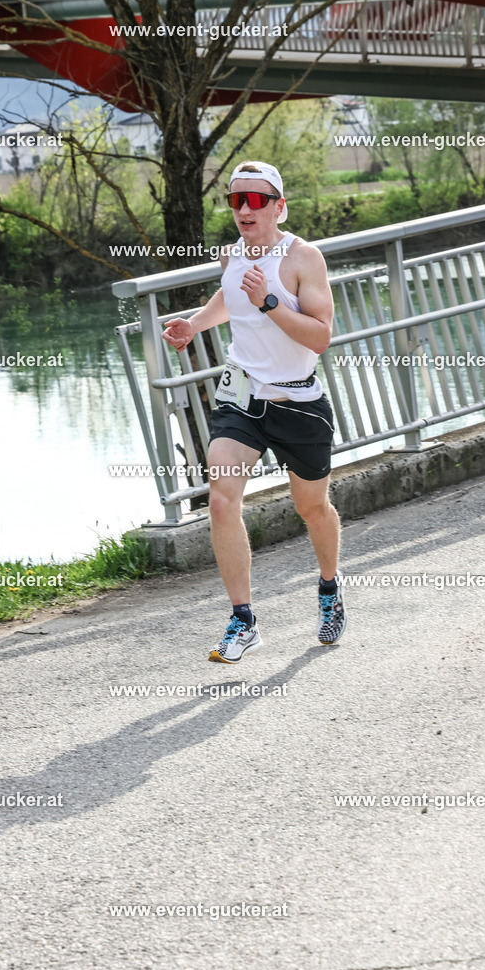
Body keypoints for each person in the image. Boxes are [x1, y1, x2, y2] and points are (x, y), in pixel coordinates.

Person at [162, 161, 346, 663]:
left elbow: (320, 336)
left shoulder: (303, 258)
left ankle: (329, 588)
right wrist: (195, 325)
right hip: (242, 395)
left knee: (312, 508)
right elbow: (230, 296)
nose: (244, 208)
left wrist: (270, 303)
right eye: (235, 199)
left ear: (279, 206)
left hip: (299, 402)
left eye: (256, 200)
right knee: (221, 497)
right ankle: (243, 620)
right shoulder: (232, 256)